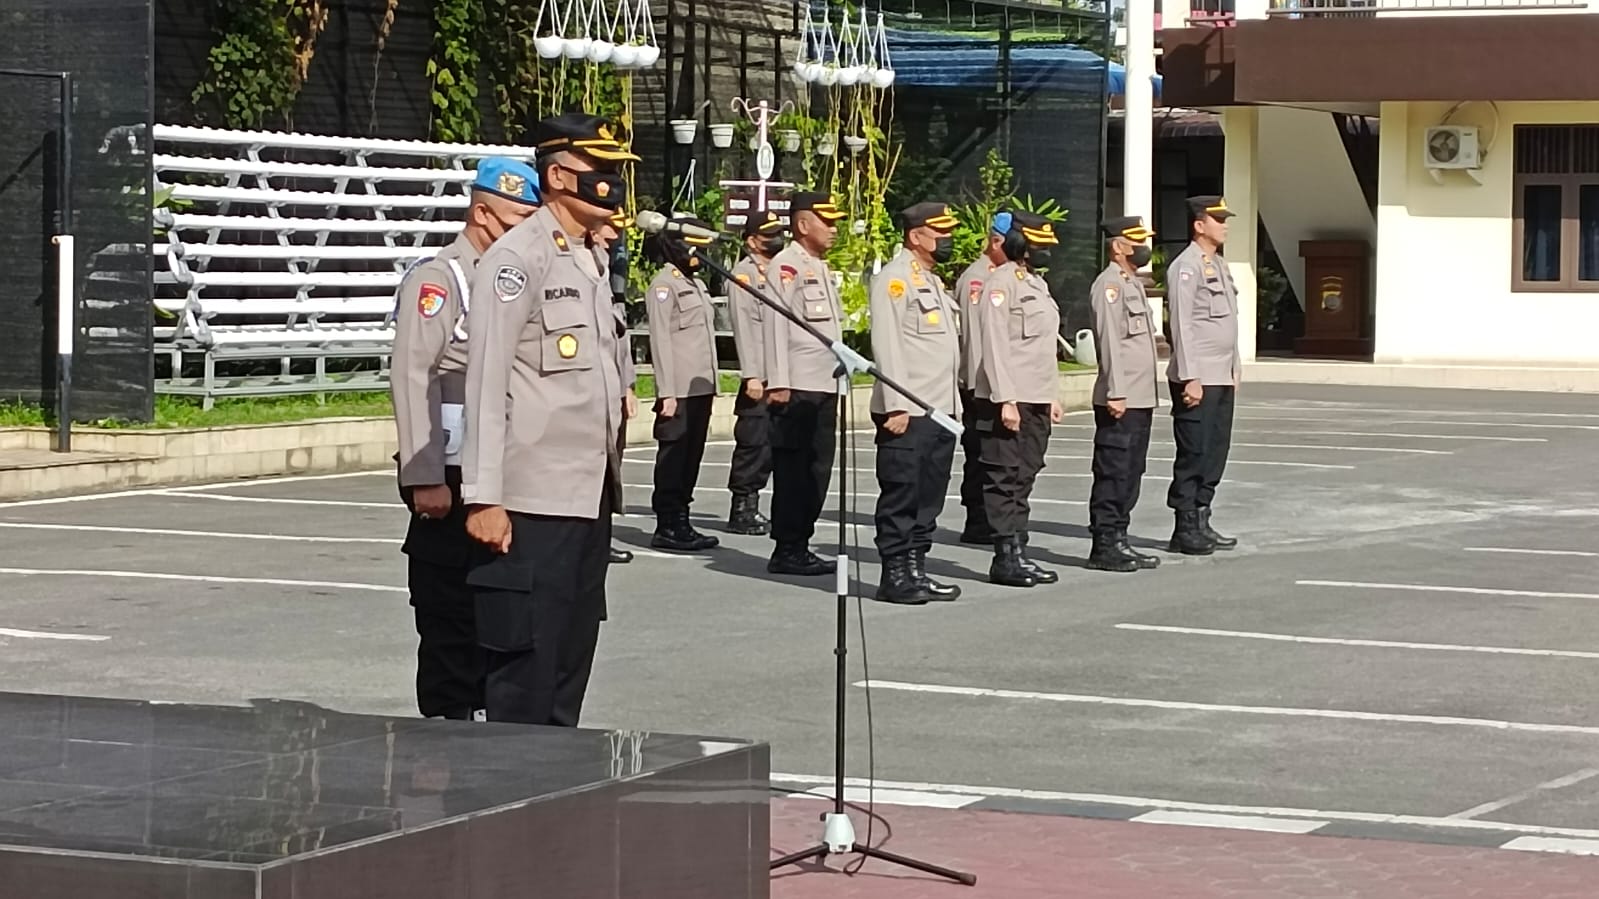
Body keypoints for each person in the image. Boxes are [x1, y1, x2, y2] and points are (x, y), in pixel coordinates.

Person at [459, 113, 636, 726]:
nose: (613, 184)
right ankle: (512, 810)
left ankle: (558, 802)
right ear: (559, 175)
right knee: (525, 674)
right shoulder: (518, 257)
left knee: (569, 662)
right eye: (601, 172)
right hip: (531, 499)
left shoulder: (589, 257)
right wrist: (483, 496)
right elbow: (484, 380)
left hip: (587, 496)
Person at [390, 157, 540, 721]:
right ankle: (445, 738)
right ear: (481, 213)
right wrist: (424, 473)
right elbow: (412, 372)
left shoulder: (517, 273)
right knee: (450, 612)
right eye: (514, 219)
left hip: (501, 465)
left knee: (497, 615)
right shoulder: (442, 278)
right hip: (449, 467)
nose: (524, 231)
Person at [868, 202, 963, 604]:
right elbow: (887, 347)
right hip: (909, 409)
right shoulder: (895, 280)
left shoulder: (933, 281)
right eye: (939, 232)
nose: (947, 239)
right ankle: (895, 575)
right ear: (915, 235)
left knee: (929, 497)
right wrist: (895, 405)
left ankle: (917, 569)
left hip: (940, 408)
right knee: (902, 494)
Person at [974, 210, 1065, 588]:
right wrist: (1005, 399)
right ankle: (1005, 555)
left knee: (1025, 475)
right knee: (1005, 478)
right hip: (1009, 398)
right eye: (1038, 245)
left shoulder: (1035, 284)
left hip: (1035, 396)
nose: (1045, 252)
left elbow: (1043, 349)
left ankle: (1019, 549)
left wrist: (1052, 396)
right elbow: (994, 345)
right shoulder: (1001, 284)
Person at [762, 192, 848, 576]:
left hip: (823, 385)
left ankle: (802, 541)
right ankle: (788, 546)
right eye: (825, 221)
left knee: (818, 469)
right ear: (802, 225)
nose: (833, 229)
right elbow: (776, 325)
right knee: (795, 471)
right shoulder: (786, 265)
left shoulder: (819, 266)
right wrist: (778, 381)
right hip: (796, 386)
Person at [1165, 195, 1241, 556]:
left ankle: (1202, 516)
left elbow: (1228, 323)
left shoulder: (1220, 265)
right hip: (1198, 376)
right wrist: (1189, 376)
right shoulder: (1186, 267)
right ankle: (1184, 526)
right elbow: (1181, 324)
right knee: (1194, 451)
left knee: (1215, 450)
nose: (1224, 224)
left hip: (1221, 374)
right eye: (1218, 218)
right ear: (1199, 225)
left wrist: (1234, 368)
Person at [1086, 216, 1162, 573]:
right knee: (1114, 469)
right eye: (1136, 241)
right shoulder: (1109, 286)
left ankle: (1120, 536)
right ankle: (1105, 542)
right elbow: (1110, 343)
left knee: (1132, 469)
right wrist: (1116, 391)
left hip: (1140, 395)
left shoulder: (1133, 284)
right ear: (1118, 247)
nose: (1143, 247)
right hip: (1121, 396)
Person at [641, 218, 721, 553]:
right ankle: (668, 523)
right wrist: (667, 393)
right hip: (679, 391)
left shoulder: (697, 285)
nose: (698, 256)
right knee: (673, 456)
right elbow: (659, 342)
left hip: (699, 386)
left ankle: (682, 519)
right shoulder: (664, 285)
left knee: (691, 457)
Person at [724, 210, 784, 536]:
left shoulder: (779, 271)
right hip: (759, 374)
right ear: (751, 241)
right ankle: (743, 507)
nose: (776, 239)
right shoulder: (744, 276)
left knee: (774, 445)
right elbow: (744, 328)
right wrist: (751, 375)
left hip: (781, 374)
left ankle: (759, 504)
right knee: (753, 442)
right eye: (768, 234)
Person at [955, 223, 1009, 546]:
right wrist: (978, 386)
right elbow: (974, 338)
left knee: (995, 454)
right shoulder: (978, 279)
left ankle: (989, 516)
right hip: (979, 383)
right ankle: (977, 518)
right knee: (978, 452)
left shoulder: (1007, 276)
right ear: (995, 241)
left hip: (995, 383)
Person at [597, 208, 637, 565]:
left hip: (612, 392)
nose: (614, 237)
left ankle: (602, 535)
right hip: (588, 398)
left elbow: (619, 342)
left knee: (611, 467)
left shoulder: (610, 281)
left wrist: (627, 385)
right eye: (608, 227)